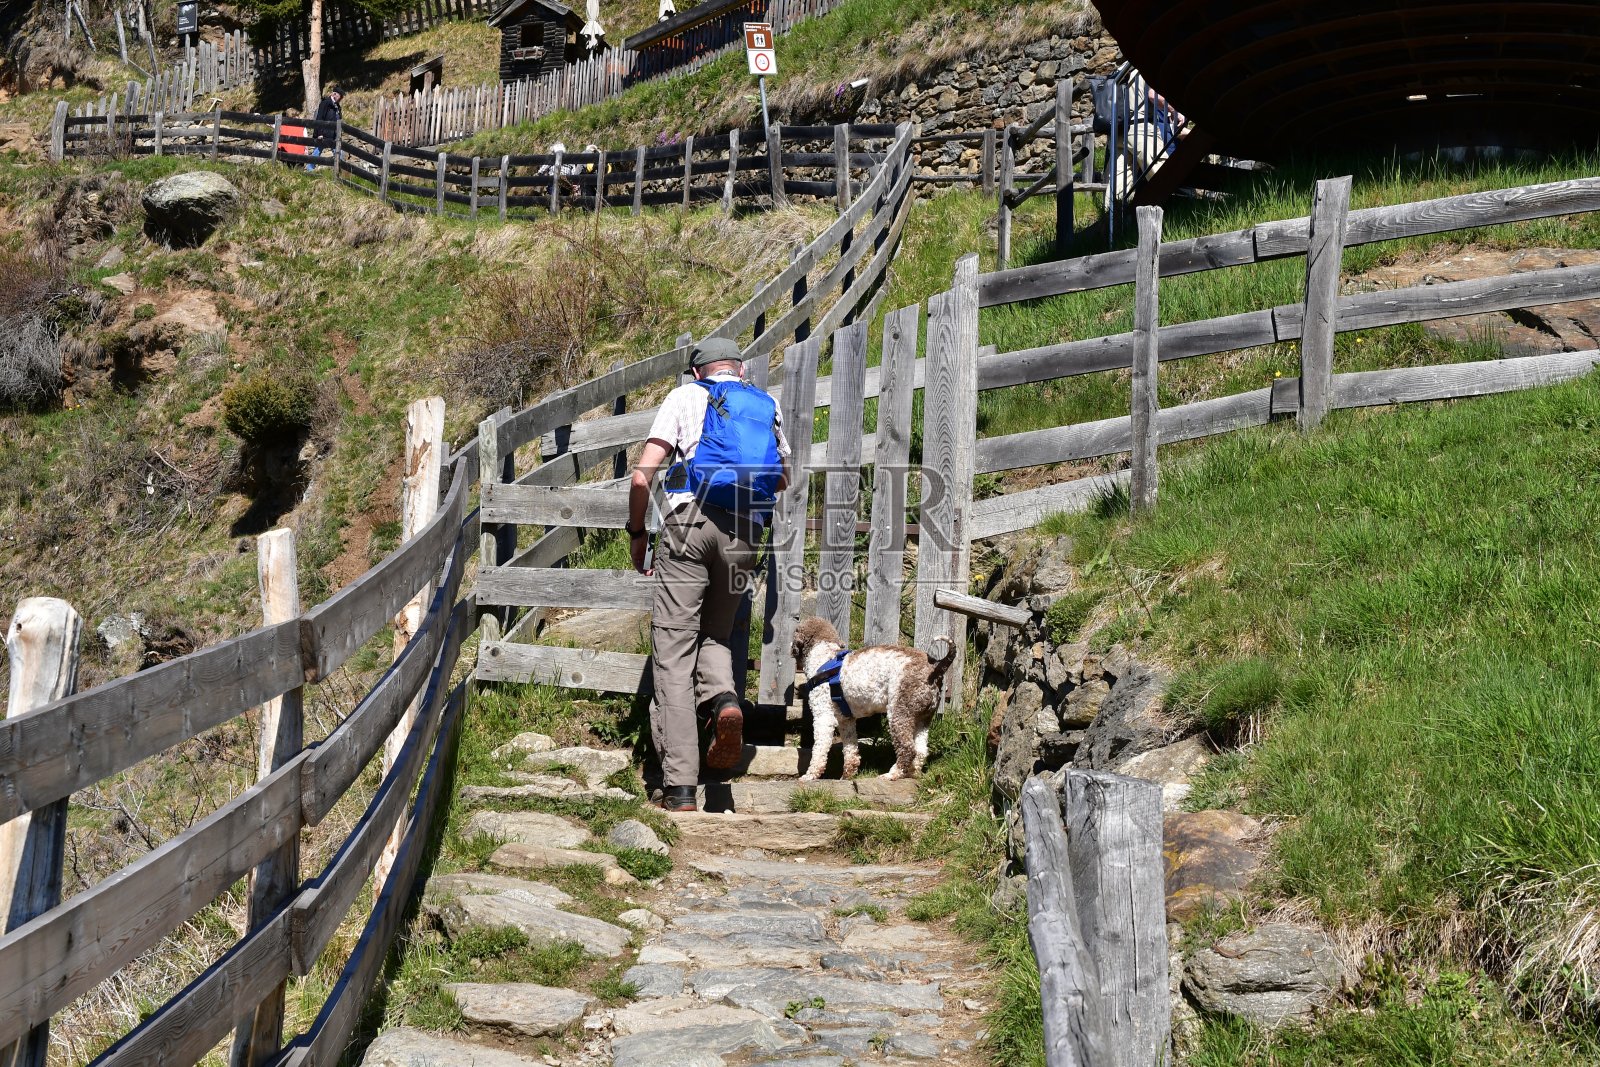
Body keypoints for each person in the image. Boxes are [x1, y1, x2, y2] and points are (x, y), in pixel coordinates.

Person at [627, 337, 790, 812]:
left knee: (674, 652)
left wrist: (637, 532)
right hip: (745, 534)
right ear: (740, 370)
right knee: (716, 635)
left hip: (688, 526)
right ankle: (724, 702)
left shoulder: (685, 397)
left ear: (697, 372)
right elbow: (781, 478)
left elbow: (642, 475)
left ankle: (680, 788)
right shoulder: (765, 405)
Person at [310, 87, 343, 171]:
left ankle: (340, 170)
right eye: (340, 96)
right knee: (318, 151)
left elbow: (338, 119)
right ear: (334, 94)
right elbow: (320, 118)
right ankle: (310, 168)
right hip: (324, 133)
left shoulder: (337, 106)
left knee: (338, 152)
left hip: (333, 134)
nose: (341, 98)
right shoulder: (325, 103)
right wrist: (320, 133)